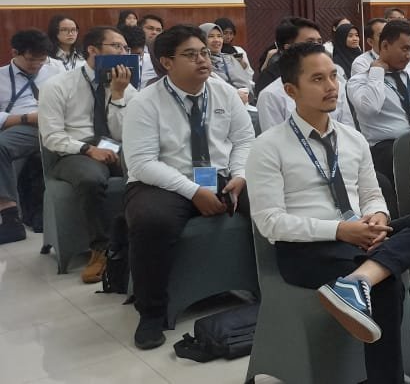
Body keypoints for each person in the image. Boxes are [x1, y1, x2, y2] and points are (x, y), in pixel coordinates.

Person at [249, 42, 410, 384]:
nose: (331, 86)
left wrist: (378, 217)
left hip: (357, 238)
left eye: (333, 76)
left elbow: (371, 194)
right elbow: (270, 223)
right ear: (291, 91)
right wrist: (340, 230)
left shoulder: (352, 139)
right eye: (317, 79)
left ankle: (357, 282)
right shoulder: (268, 146)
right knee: (389, 284)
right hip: (307, 250)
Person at [121, 26, 254, 350]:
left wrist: (240, 174)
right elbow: (141, 163)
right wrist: (193, 191)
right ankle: (152, 312)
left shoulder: (223, 91)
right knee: (151, 221)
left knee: (272, 198)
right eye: (191, 55)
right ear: (167, 62)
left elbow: (244, 139)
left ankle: (275, 285)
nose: (202, 60)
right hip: (162, 181)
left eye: (204, 53)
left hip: (221, 174)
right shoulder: (145, 102)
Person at [37, 26, 137, 281]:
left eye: (125, 48)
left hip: (114, 145)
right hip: (73, 151)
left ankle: (138, 239)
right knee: (91, 179)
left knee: (147, 168)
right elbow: (51, 136)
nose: (123, 53)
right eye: (116, 46)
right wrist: (88, 149)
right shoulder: (58, 85)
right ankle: (101, 248)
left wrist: (118, 94)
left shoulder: (124, 84)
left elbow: (124, 132)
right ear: (93, 50)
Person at [349, 20, 410, 206]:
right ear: (385, 46)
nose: (409, 55)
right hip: (387, 149)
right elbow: (370, 108)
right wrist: (377, 71)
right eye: (404, 49)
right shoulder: (360, 81)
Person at [0, 31, 65, 244]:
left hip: (54, 125)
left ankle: (13, 217)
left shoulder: (56, 71)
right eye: (31, 59)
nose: (37, 64)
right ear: (15, 53)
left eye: (41, 59)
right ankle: (11, 217)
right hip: (21, 124)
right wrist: (26, 118)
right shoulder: (1, 77)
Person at [257, 19, 357, 131]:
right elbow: (274, 138)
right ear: (288, 48)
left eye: (319, 42)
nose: (317, 48)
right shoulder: (271, 95)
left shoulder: (335, 84)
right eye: (310, 43)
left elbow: (348, 129)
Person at [200, 23, 252, 93]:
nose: (216, 40)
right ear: (201, 40)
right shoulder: (200, 62)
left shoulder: (229, 59)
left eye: (219, 36)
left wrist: (244, 93)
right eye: (210, 36)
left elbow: (245, 84)